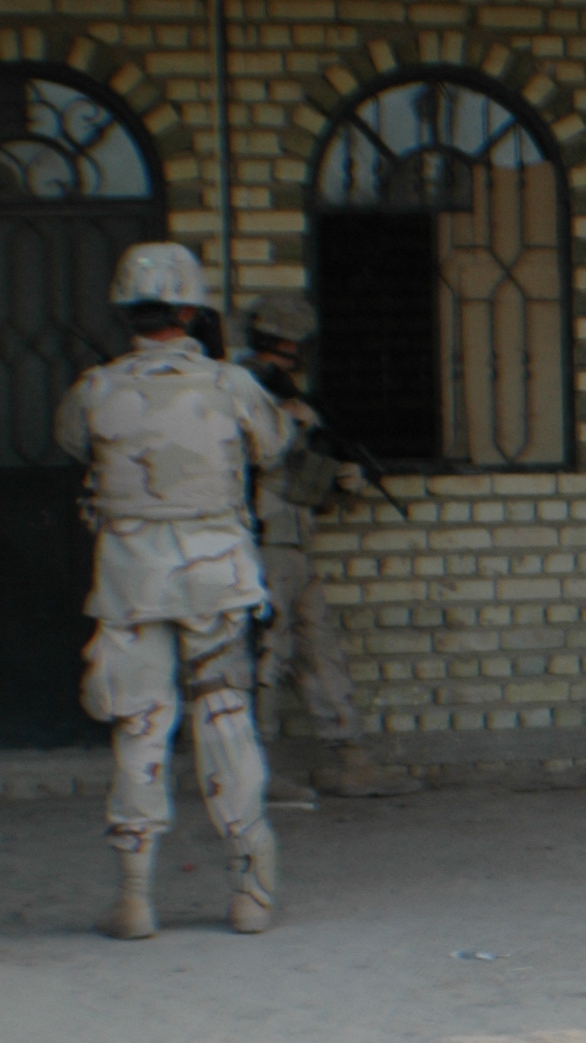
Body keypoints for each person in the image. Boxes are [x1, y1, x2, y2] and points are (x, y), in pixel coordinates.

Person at [56, 241, 292, 938]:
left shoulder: (95, 388)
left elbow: (75, 445)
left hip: (132, 581)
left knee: (139, 726)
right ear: (190, 311)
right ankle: (250, 893)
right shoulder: (230, 385)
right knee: (225, 721)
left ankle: (135, 897)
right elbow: (273, 447)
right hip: (215, 576)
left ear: (127, 309)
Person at [240, 292, 418, 799]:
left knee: (321, 654)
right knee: (267, 659)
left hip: (293, 545)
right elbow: (249, 464)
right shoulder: (239, 390)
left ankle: (354, 762)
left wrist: (335, 474)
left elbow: (299, 484)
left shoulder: (284, 393)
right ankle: (254, 775)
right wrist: (296, 425)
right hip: (261, 545)